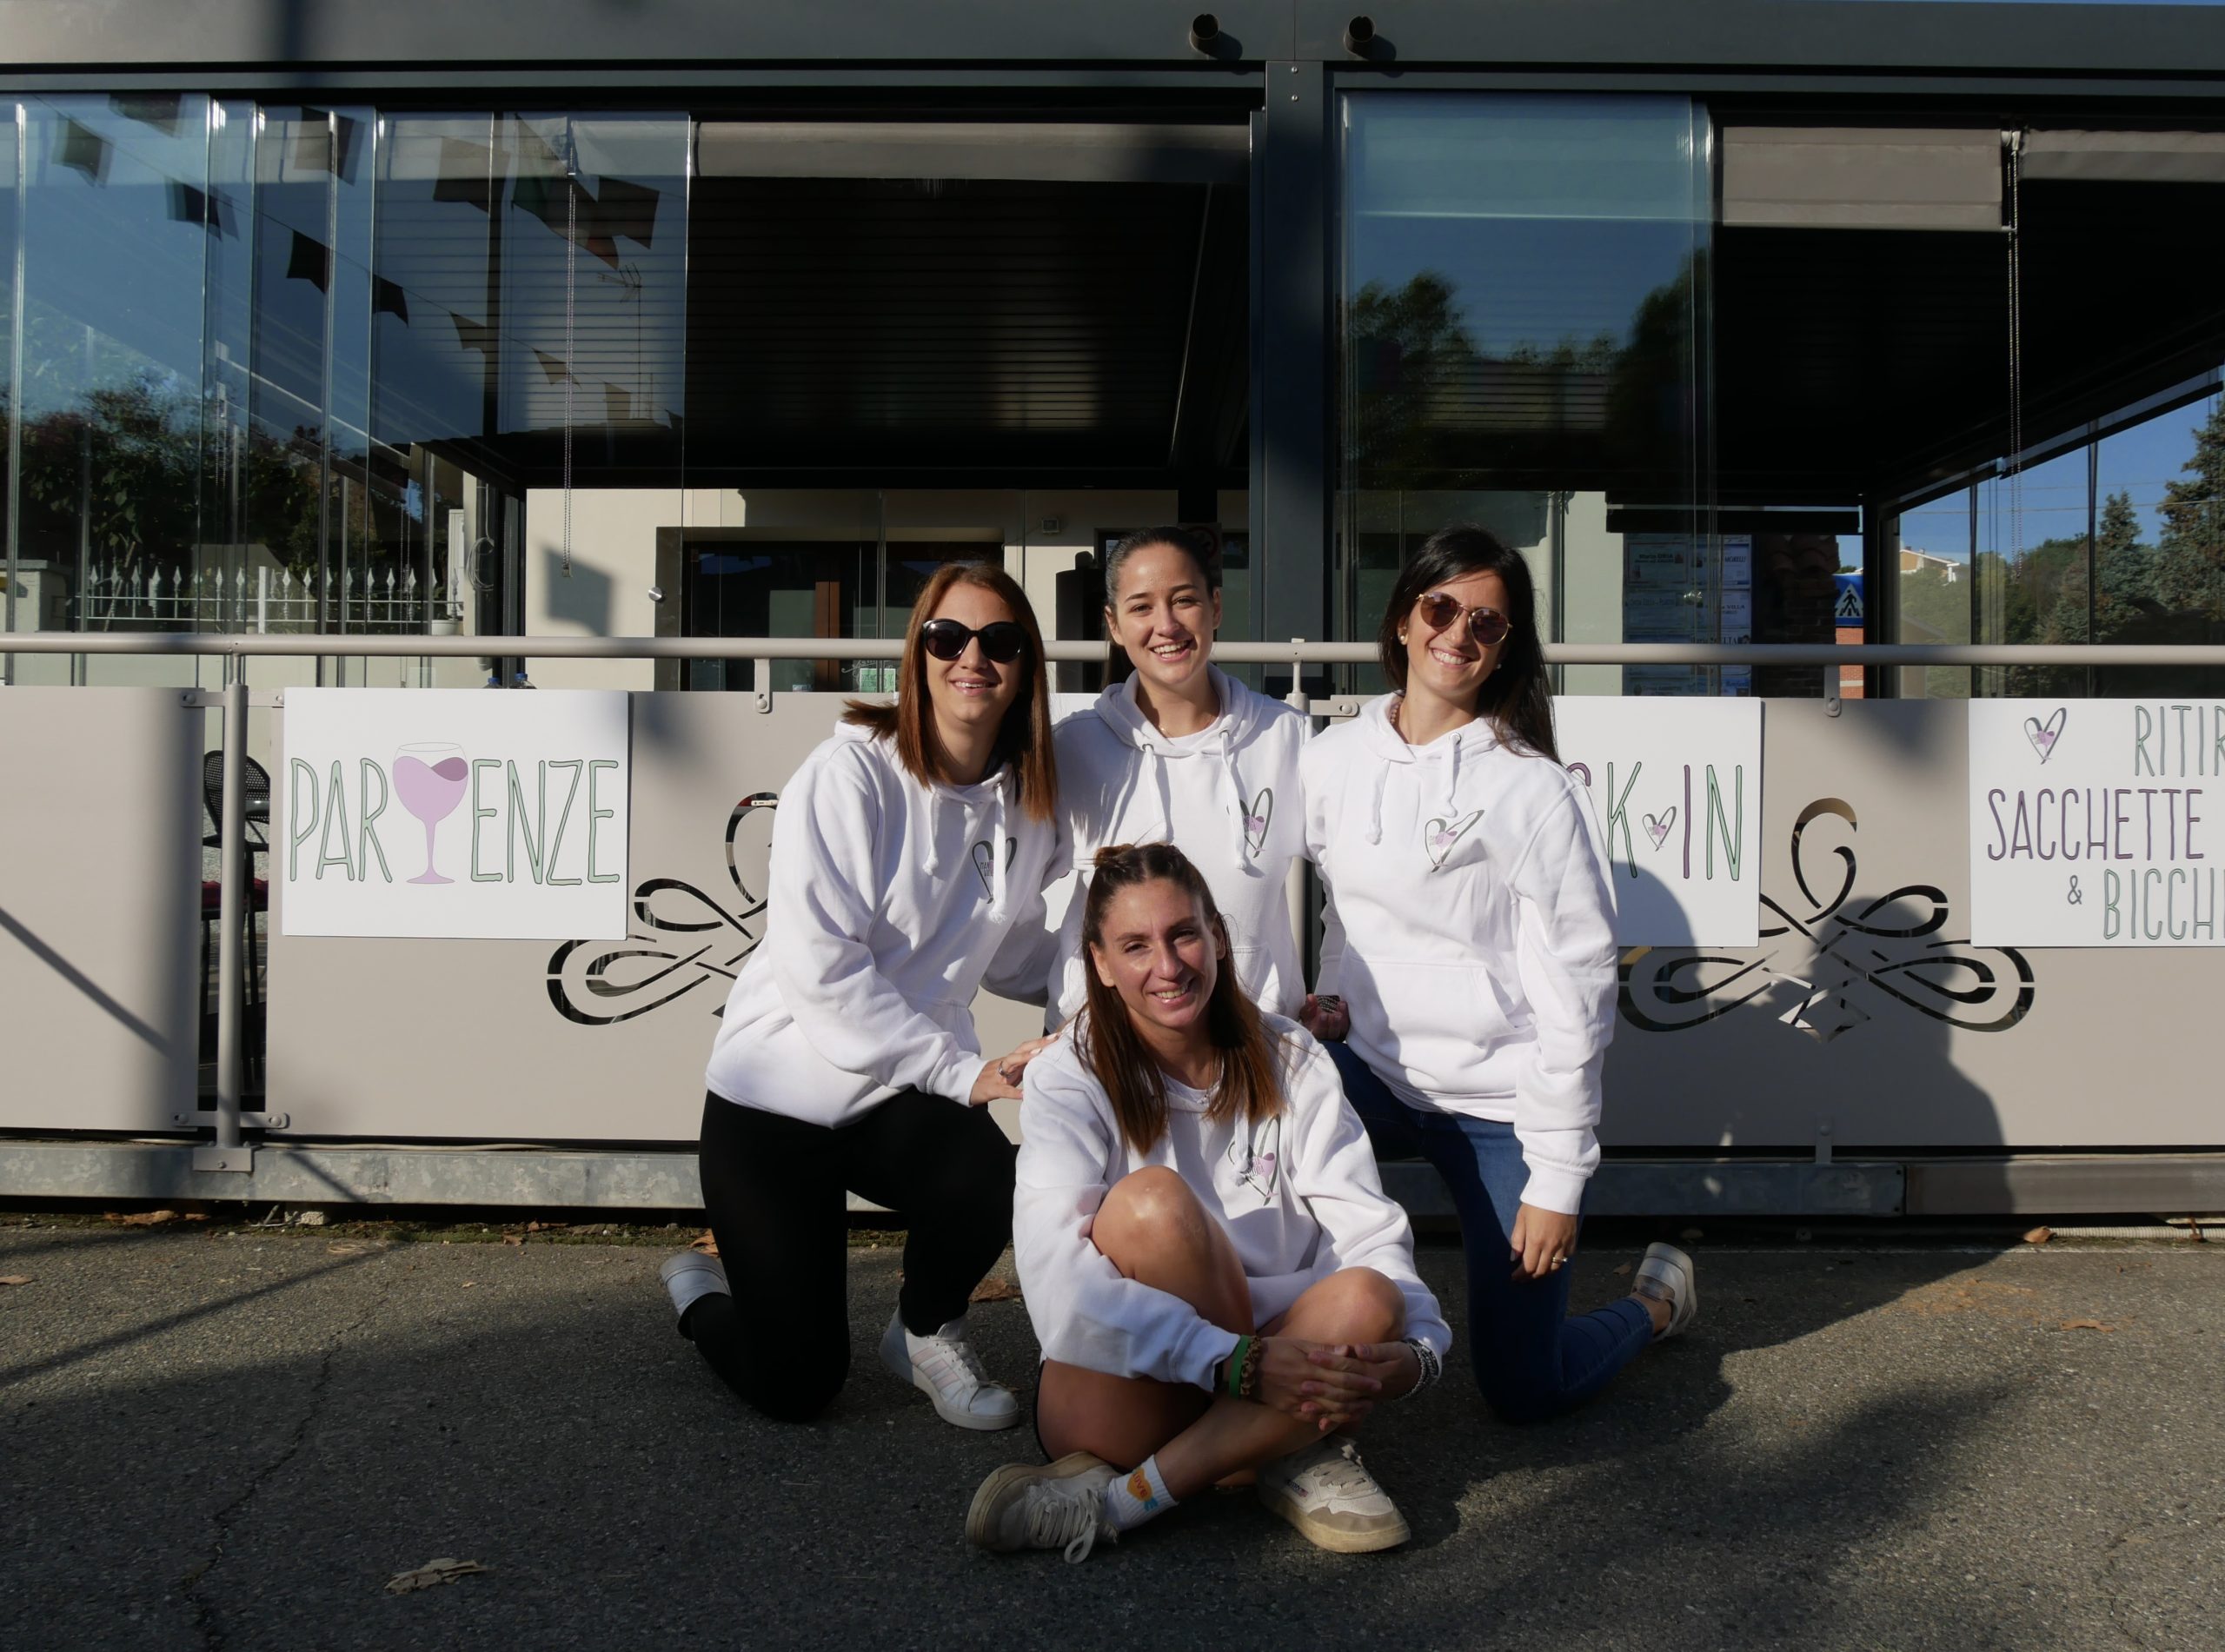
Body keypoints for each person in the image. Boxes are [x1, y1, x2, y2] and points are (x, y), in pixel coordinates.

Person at [1300, 523, 1698, 1428]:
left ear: (1506, 646)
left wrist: (1556, 1175)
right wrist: (1331, 994)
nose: (1459, 633)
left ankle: (1653, 1305)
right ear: (1403, 618)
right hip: (1369, 1070)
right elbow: (1338, 903)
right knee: (1250, 1134)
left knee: (1524, 1388)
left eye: (1487, 622)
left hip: (1497, 1107)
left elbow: (1579, 991)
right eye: (1441, 608)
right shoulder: (1329, 760)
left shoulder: (1532, 790)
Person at [658, 561, 1063, 1429]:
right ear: (917, 654)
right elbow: (823, 972)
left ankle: (923, 1332)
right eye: (947, 637)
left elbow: (1014, 950)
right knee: (799, 1386)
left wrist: (1098, 1005)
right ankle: (698, 1294)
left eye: (1000, 640)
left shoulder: (1027, 802)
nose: (972, 657)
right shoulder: (849, 773)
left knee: (990, 1176)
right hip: (774, 1106)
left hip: (890, 1097)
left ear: (1027, 664)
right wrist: (959, 1071)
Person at [967, 843, 1450, 1562]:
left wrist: (1420, 1352)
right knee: (1152, 1206)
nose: (1168, 966)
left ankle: (1119, 1501)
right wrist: (1236, 1363)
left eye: (1184, 934)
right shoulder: (1068, 1074)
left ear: (1218, 936)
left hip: (1275, 1358)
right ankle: (1285, 1446)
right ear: (1100, 962)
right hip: (1128, 1391)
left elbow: (1369, 1231)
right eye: (1136, 945)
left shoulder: (1290, 1054)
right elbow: (1057, 1284)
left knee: (1370, 1296)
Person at [1050, 527, 1313, 1022]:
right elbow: (1004, 897)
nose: (1166, 625)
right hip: (1106, 1048)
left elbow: (1358, 883)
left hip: (1250, 1043)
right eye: (1141, 607)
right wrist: (1070, 987)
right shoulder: (1073, 747)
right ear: (1113, 624)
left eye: (1184, 600)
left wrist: (1335, 989)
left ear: (1216, 607)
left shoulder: (1285, 736)